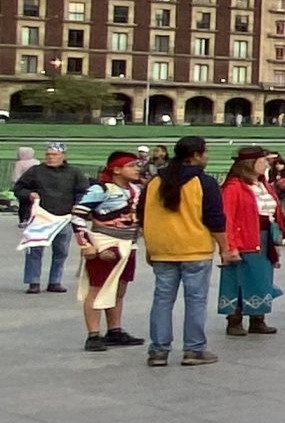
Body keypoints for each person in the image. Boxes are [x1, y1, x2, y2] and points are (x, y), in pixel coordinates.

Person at [138, 135, 228, 367]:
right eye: (205, 152)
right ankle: (193, 349)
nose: (207, 157)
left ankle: (158, 351)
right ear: (196, 155)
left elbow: (143, 216)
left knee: (162, 300)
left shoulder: (155, 182)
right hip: (194, 249)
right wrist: (224, 248)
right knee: (196, 300)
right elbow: (215, 219)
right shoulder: (204, 182)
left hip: (162, 249)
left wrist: (150, 245)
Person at [70, 151, 146, 352]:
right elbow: (77, 216)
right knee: (96, 288)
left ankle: (114, 330)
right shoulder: (100, 189)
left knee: (119, 289)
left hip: (128, 244)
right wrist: (86, 245)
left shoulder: (136, 190)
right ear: (117, 169)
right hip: (105, 242)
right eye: (131, 165)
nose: (137, 168)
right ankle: (93, 334)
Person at [217, 147, 285, 337]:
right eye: (262, 161)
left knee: (261, 277)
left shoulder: (264, 185)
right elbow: (227, 217)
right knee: (238, 279)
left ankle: (257, 317)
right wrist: (230, 245)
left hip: (264, 236)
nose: (266, 164)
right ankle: (234, 319)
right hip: (245, 237)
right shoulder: (234, 187)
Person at [15, 143, 89, 294]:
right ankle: (33, 282)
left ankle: (55, 281)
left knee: (61, 251)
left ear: (63, 156)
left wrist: (78, 205)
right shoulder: (35, 171)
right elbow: (19, 188)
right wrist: (29, 194)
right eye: (48, 154)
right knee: (34, 249)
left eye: (54, 155)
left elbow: (83, 191)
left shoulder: (74, 172)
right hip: (40, 217)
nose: (50, 157)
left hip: (64, 217)